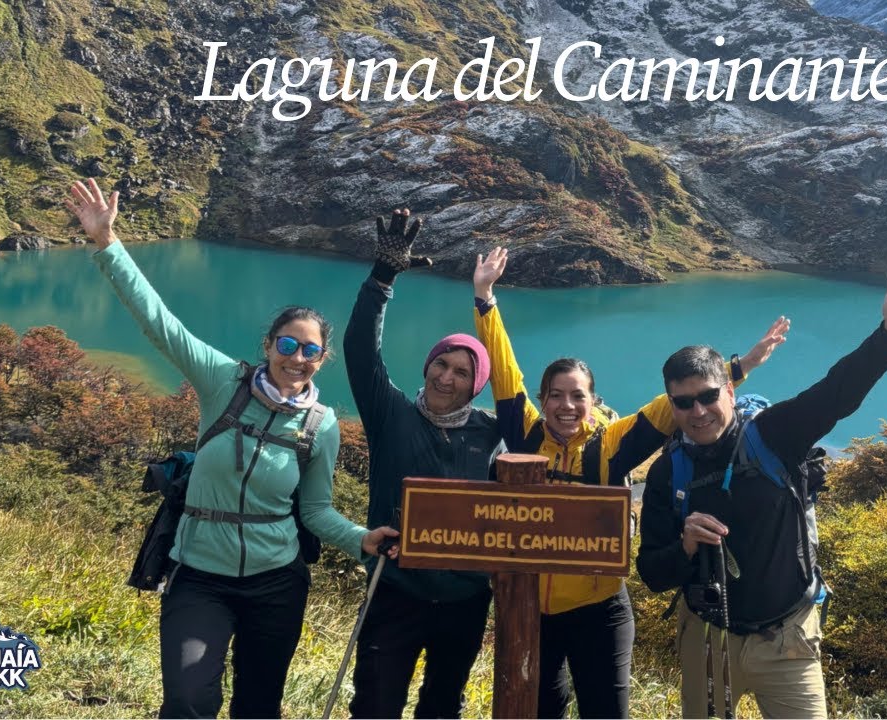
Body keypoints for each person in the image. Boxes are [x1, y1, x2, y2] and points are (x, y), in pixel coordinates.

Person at [65, 178, 399, 719]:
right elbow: (161, 326)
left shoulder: (320, 424)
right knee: (189, 698)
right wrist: (108, 244)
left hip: (277, 583)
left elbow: (314, 510)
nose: (296, 357)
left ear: (322, 359)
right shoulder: (225, 383)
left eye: (309, 350)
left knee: (258, 707)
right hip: (199, 574)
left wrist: (363, 539)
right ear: (268, 345)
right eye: (287, 344)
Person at [470, 246, 790, 718]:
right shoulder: (525, 430)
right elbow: (503, 364)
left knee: (607, 712)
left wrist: (741, 367)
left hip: (600, 608)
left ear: (592, 399)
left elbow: (678, 405)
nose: (565, 405)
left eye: (577, 396)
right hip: (531, 609)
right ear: (540, 398)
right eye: (555, 395)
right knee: (542, 708)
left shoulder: (609, 444)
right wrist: (485, 298)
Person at [636, 272, 887, 719]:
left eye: (709, 396)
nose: (698, 411)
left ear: (730, 389)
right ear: (671, 405)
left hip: (787, 637)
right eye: (683, 402)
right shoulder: (667, 470)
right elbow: (652, 572)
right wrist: (686, 546)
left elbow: (835, 394)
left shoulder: (772, 436)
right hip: (708, 641)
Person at [343, 208, 506, 719]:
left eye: (462, 371)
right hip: (394, 588)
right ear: (427, 365)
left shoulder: (493, 433)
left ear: (476, 383)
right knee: (375, 702)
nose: (446, 377)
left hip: (464, 598)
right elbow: (359, 351)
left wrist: (488, 302)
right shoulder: (391, 413)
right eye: (440, 364)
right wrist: (382, 278)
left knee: (442, 707)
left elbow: (521, 394)